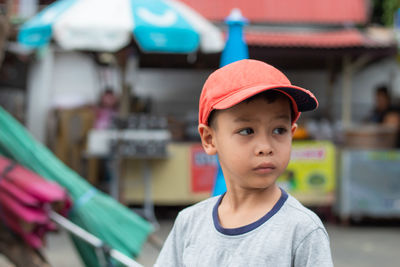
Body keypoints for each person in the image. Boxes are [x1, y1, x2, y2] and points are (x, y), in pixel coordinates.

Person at [155, 59, 333, 266]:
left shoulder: (302, 230)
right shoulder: (189, 223)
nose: (265, 147)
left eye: (279, 130)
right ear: (209, 139)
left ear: (292, 134)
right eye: (247, 131)